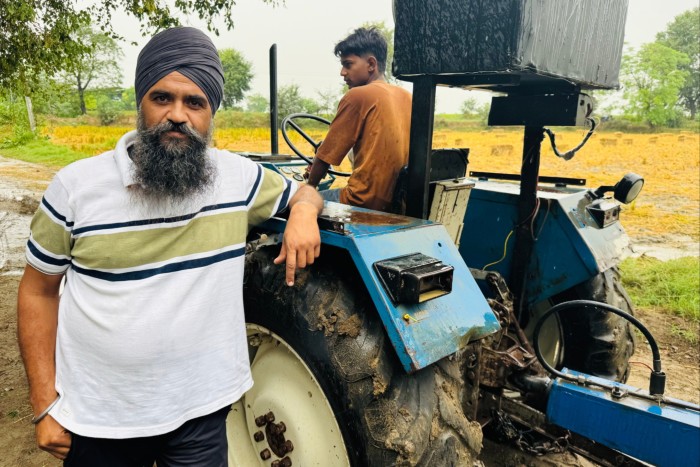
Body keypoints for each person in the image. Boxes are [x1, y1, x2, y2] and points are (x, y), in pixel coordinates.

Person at [17, 26, 322, 465]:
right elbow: (37, 291)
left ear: (211, 112)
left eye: (194, 102)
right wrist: (44, 403)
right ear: (141, 103)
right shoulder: (76, 189)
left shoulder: (236, 178)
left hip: (201, 413)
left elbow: (306, 192)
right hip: (102, 419)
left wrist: (304, 214)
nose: (177, 115)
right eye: (163, 98)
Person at [305, 27, 412, 212]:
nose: (342, 72)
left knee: (295, 207)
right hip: (398, 204)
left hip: (360, 202)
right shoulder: (407, 97)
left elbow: (324, 157)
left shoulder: (357, 96)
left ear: (371, 64)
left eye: (348, 64)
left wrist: (308, 188)